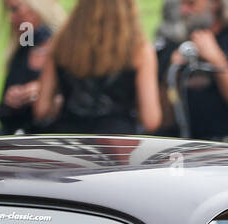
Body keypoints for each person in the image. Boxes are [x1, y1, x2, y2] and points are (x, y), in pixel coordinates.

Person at [33, 0, 160, 134]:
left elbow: (41, 109)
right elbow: (151, 120)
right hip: (118, 144)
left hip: (70, 141)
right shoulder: (139, 50)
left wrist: (63, 104)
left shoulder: (61, 43)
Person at [167, 0, 228, 144]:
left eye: (191, 4)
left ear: (215, 3)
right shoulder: (178, 46)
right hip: (189, 146)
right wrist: (172, 72)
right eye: (182, 5)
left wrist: (216, 58)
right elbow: (165, 117)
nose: (184, 11)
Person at [0, 0, 64, 135]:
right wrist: (11, 101)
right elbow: (2, 115)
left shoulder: (67, 51)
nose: (10, 18)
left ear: (37, 8)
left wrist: (46, 93)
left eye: (15, 9)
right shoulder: (21, 52)